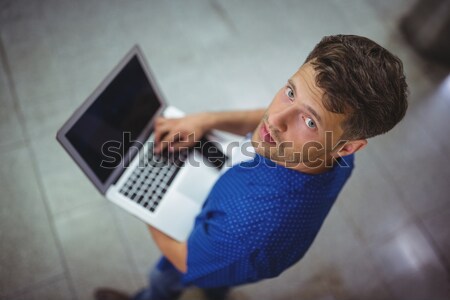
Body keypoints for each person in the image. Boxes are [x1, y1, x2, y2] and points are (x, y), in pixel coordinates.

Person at [95, 34, 408, 300]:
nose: (274, 119)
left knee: (166, 280)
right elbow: (269, 117)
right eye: (290, 92)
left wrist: (147, 204)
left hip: (216, 249)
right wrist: (208, 120)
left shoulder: (250, 226)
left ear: (349, 146)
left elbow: (186, 259)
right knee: (221, 274)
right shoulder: (336, 151)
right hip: (234, 248)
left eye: (309, 121)